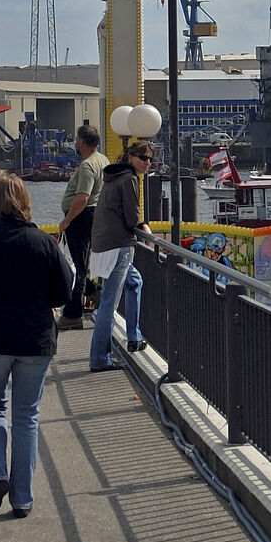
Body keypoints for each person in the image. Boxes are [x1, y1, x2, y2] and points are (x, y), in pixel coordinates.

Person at [0, 171, 74, 518]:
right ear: (25, 203)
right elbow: (63, 292)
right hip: (34, 339)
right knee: (27, 416)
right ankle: (22, 497)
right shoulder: (42, 242)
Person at [87, 138, 154, 371]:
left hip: (103, 245)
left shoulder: (113, 177)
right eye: (143, 158)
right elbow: (131, 218)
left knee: (135, 282)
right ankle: (99, 358)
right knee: (108, 303)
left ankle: (134, 336)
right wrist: (143, 225)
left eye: (150, 159)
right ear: (130, 157)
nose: (147, 163)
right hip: (119, 246)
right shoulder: (129, 179)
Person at [58, 123, 104, 329]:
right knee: (83, 263)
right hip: (92, 216)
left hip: (81, 218)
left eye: (77, 139)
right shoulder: (102, 160)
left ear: (83, 142)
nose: (75, 143)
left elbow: (82, 197)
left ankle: (72, 314)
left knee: (79, 266)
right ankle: (94, 291)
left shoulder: (87, 166)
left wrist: (67, 221)